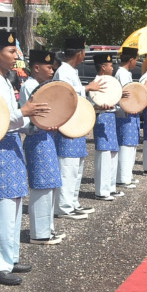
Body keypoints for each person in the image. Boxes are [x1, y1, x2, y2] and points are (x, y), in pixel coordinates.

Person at [0, 30, 50, 285]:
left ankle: (10, 257)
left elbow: (14, 118)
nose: (15, 56)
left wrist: (32, 122)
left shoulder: (4, 80)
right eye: (10, 52)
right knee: (0, 206)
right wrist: (23, 111)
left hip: (12, 144)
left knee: (15, 203)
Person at [20, 49, 66, 246]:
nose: (52, 70)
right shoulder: (30, 86)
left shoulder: (40, 85)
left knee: (49, 183)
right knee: (41, 185)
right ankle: (39, 233)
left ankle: (47, 229)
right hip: (36, 138)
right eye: (48, 66)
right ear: (36, 67)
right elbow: (30, 119)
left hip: (45, 137)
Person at [52, 37, 96, 221]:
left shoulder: (71, 70)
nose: (84, 55)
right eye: (84, 51)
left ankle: (73, 202)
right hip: (67, 125)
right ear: (79, 53)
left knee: (77, 166)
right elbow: (64, 94)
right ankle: (63, 207)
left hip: (76, 123)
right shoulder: (63, 71)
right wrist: (87, 88)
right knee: (67, 166)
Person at [90, 52, 120, 201]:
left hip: (111, 117)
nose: (112, 67)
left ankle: (111, 187)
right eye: (110, 65)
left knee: (113, 152)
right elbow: (92, 103)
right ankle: (101, 190)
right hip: (102, 117)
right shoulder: (96, 83)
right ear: (103, 67)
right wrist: (98, 107)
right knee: (103, 153)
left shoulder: (111, 82)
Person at [115, 47, 141, 189]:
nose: (136, 62)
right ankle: (123, 178)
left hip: (129, 113)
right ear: (131, 59)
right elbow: (127, 94)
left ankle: (127, 175)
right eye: (136, 59)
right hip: (124, 113)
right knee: (125, 145)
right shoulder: (122, 73)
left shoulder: (126, 73)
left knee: (131, 144)